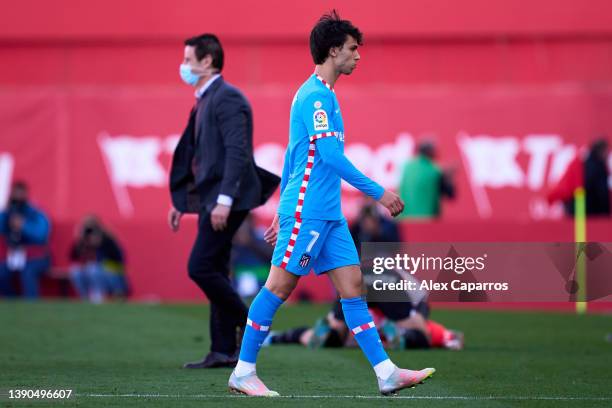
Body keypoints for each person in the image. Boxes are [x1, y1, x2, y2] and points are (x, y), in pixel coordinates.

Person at [229, 11, 435, 397]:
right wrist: (379, 192)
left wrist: (277, 207)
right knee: (278, 287)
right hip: (308, 212)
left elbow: (294, 154)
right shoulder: (315, 96)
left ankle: (386, 372)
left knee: (353, 285)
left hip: (328, 215)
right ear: (334, 50)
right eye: (353, 49)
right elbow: (330, 157)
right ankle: (243, 371)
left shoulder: (323, 95)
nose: (358, 56)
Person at [168, 34, 280, 369]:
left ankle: (250, 322)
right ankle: (223, 349)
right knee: (215, 268)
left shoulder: (227, 98)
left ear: (207, 62)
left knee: (199, 267)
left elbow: (237, 152)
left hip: (226, 199)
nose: (184, 66)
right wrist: (181, 201)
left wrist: (224, 200)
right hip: (211, 198)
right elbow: (199, 157)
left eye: (188, 59)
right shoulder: (204, 99)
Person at [263, 299, 464, 351]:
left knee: (327, 339)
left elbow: (454, 337)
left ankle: (275, 337)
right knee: (325, 338)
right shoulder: (416, 322)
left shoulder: (419, 327)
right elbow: (452, 337)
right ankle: (275, 337)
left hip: (362, 302)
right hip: (366, 312)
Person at [0, 181, 51, 299]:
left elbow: (41, 235)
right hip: (13, 256)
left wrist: (23, 225)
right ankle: (12, 303)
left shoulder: (36, 213)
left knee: (28, 272)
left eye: (20, 193)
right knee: (2, 273)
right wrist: (5, 214)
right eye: (15, 193)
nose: (18, 197)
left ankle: (31, 305)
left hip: (36, 256)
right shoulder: (8, 213)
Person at [69, 215, 128, 303]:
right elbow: (73, 257)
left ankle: (98, 296)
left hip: (112, 273)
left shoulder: (107, 238)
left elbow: (119, 260)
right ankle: (85, 298)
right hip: (93, 272)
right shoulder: (84, 240)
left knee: (93, 269)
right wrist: (80, 241)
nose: (90, 232)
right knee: (75, 271)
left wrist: (100, 243)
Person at [398, 140, 455, 219]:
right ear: (431, 152)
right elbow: (451, 195)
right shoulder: (435, 171)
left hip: (404, 220)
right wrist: (449, 177)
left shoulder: (407, 167)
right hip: (426, 221)